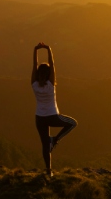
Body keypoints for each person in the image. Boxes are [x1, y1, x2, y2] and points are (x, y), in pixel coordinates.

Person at [31, 42, 77, 177]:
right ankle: (55, 139)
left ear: (38, 73)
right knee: (73, 123)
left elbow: (34, 66)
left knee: (45, 145)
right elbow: (53, 65)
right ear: (49, 73)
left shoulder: (34, 85)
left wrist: (35, 50)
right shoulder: (51, 84)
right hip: (52, 116)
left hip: (39, 118)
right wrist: (48, 49)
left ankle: (48, 171)